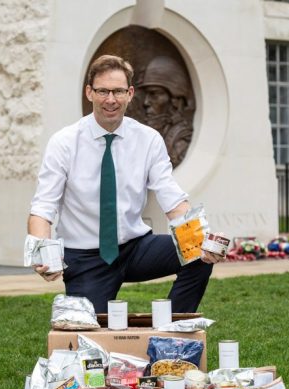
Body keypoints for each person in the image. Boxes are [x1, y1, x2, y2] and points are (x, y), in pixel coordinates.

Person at [28, 54, 223, 314]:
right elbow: (43, 206)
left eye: (118, 91)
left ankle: (170, 335)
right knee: (90, 343)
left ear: (130, 94)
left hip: (135, 248)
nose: (111, 99)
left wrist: (201, 240)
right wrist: (42, 252)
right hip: (85, 258)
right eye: (103, 91)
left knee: (197, 254)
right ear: (89, 93)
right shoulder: (64, 142)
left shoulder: (148, 140)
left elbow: (172, 198)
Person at [138, 56, 194, 168]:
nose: (146, 102)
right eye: (146, 95)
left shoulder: (180, 142)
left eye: (154, 94)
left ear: (175, 100)